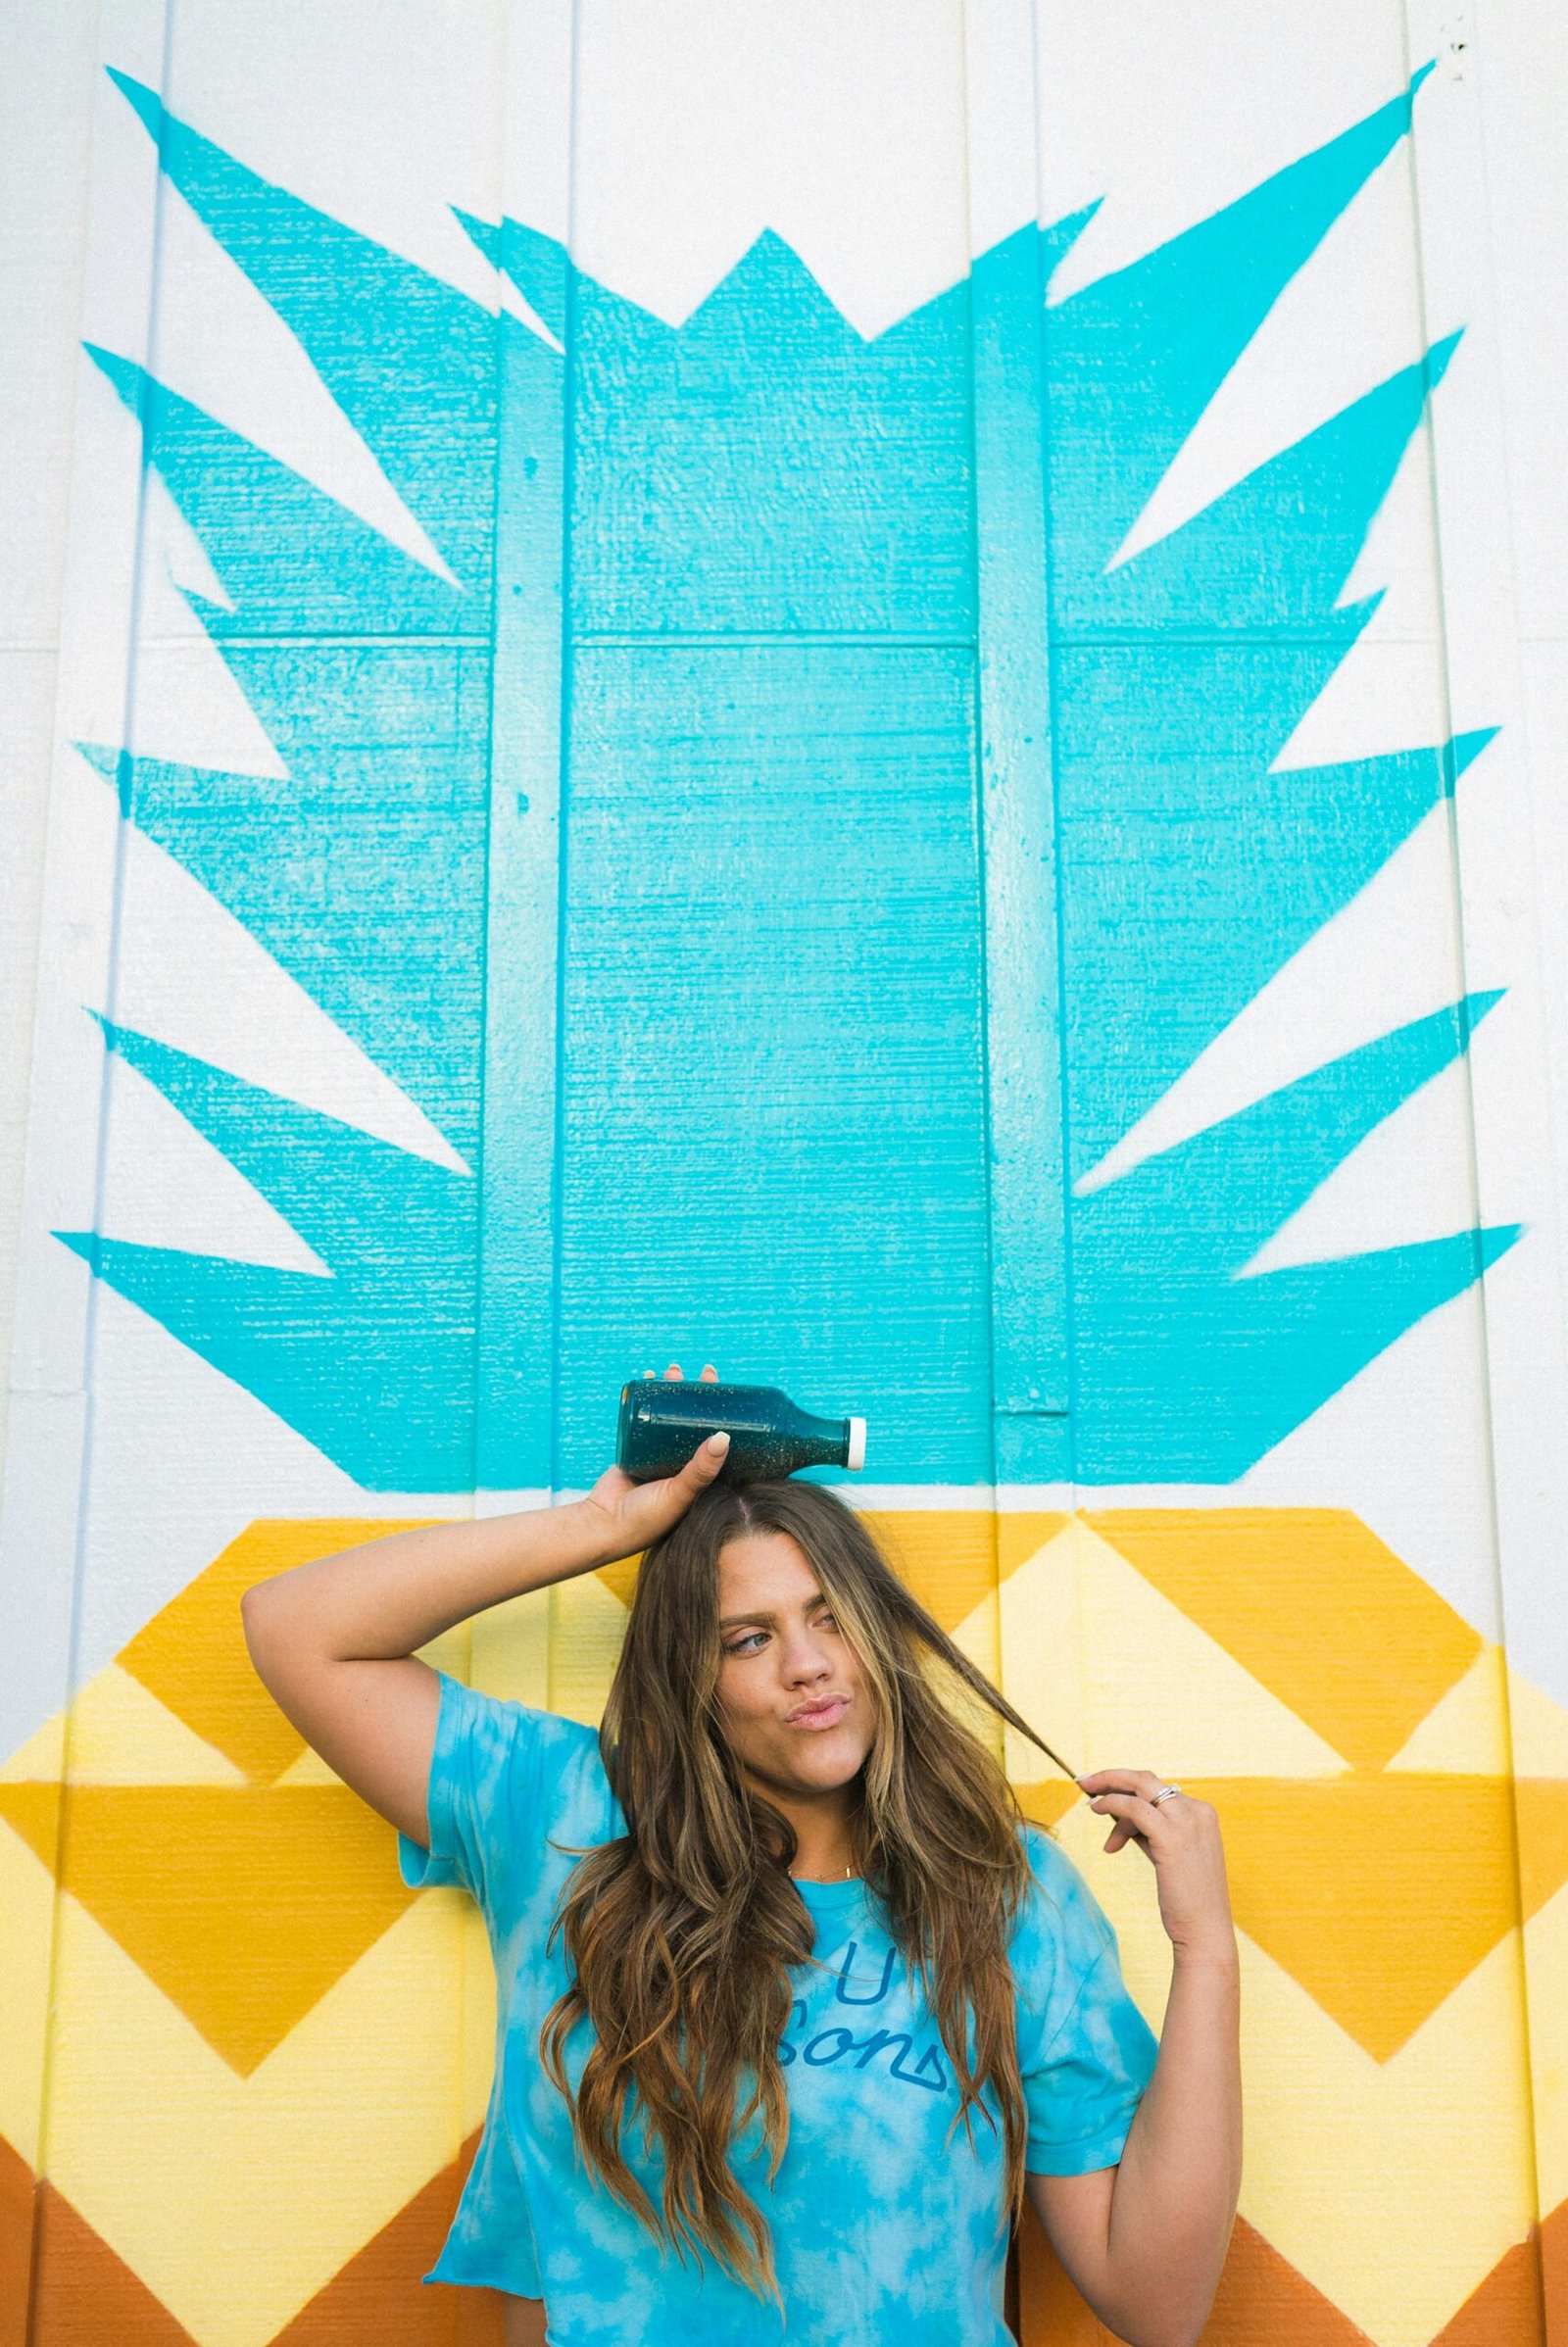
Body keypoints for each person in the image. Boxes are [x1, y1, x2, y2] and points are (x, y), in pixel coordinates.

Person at [241, 1363, 1241, 2347]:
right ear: (691, 1678)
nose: (807, 1664)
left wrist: (1205, 1949)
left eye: (827, 1617)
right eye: (747, 1639)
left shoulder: (1002, 1895)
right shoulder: (571, 1818)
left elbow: (1154, 2304)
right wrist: (605, 1528)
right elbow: (296, 1629)